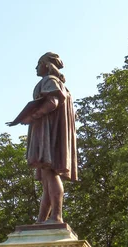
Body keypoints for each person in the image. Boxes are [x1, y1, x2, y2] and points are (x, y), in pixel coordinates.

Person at [7, 52, 77, 224]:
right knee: (47, 179)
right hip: (51, 132)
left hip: (48, 133)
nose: (36, 67)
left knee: (51, 174)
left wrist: (33, 115)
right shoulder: (59, 84)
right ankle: (42, 219)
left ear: (46, 65)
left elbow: (53, 102)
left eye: (38, 63)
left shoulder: (50, 81)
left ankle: (57, 217)